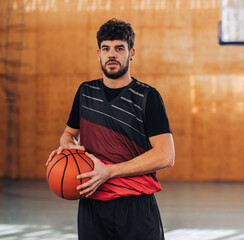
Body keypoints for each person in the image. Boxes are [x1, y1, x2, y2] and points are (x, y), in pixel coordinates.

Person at [46, 18, 175, 240]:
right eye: (106, 48)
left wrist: (109, 171)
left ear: (131, 53)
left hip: (135, 205)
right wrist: (68, 149)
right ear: (99, 54)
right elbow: (68, 134)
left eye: (119, 48)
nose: (111, 54)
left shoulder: (148, 96)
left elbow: (166, 155)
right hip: (92, 205)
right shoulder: (85, 92)